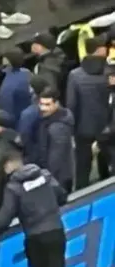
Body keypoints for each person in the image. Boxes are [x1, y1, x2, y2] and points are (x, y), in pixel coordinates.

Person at [67, 35, 110, 189]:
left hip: (83, 128)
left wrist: (72, 129)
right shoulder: (109, 73)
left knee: (83, 165)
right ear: (100, 50)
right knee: (109, 158)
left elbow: (72, 104)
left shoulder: (75, 75)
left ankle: (81, 191)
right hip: (107, 126)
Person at [34, 87, 75, 193]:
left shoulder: (57, 128)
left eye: (47, 105)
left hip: (59, 177)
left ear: (56, 104)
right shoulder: (51, 119)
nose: (43, 108)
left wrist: (48, 177)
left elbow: (55, 158)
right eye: (41, 104)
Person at [0, 48, 31, 123]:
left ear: (8, 61)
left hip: (17, 119)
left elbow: (5, 110)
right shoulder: (27, 73)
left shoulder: (8, 86)